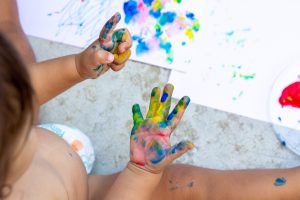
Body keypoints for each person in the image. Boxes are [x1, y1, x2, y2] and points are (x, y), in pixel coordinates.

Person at [1, 1, 300, 200]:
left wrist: (78, 66)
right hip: (84, 193)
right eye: (21, 127)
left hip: (52, 159)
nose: (29, 98)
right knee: (186, 185)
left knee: (11, 49)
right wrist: (142, 172)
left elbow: (28, 88)